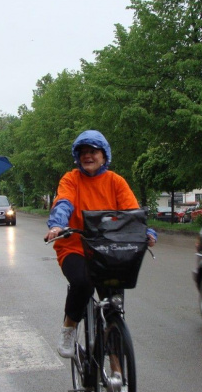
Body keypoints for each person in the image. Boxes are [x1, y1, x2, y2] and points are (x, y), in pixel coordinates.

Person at [44, 130, 157, 359]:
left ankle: (117, 375)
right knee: (83, 283)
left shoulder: (116, 181)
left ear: (104, 156)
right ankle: (69, 327)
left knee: (113, 308)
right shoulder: (71, 179)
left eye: (93, 151)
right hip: (74, 246)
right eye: (83, 152)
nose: (88, 156)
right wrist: (58, 225)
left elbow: (131, 212)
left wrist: (146, 232)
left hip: (109, 251)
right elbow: (64, 202)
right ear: (77, 157)